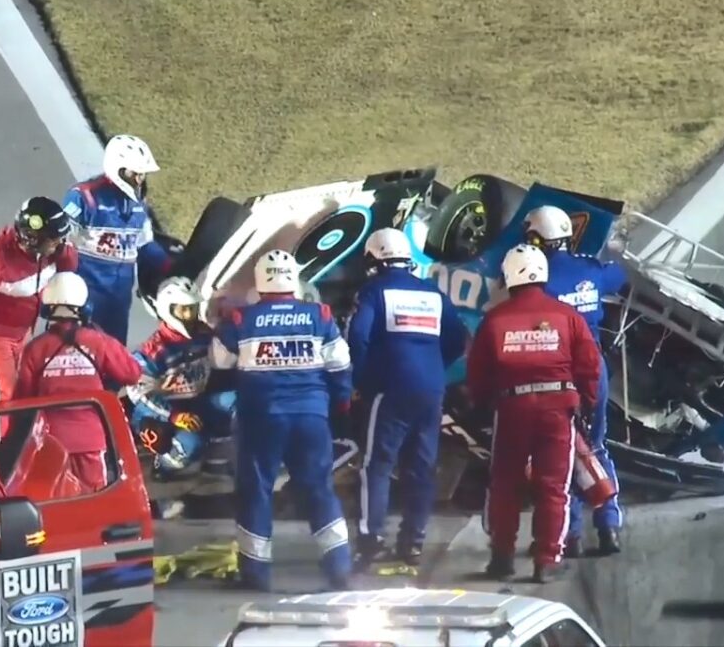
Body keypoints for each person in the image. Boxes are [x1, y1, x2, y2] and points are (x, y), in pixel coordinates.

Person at [210, 249, 353, 592]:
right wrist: (340, 403)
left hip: (261, 418)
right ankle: (339, 568)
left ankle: (256, 574)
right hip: (311, 416)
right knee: (319, 488)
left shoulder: (242, 320)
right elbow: (340, 366)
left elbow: (219, 361)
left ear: (260, 282)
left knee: (256, 491)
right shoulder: (320, 315)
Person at [467, 244, 601, 583]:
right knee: (554, 487)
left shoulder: (495, 319)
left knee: (505, 484)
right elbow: (590, 366)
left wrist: (482, 405)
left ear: (509, 276)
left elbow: (478, 371)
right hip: (558, 410)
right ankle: (547, 561)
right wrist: (586, 403)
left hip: (512, 409)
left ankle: (502, 558)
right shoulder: (568, 316)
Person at [346, 228, 469, 569]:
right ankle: (413, 541)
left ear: (375, 259)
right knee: (422, 467)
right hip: (432, 389)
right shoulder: (432, 292)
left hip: (390, 389)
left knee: (377, 465)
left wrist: (361, 379)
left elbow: (358, 337)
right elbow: (458, 338)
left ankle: (371, 540)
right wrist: (433, 366)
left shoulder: (373, 290)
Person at [523, 205, 627, 556]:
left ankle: (571, 535)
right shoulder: (590, 269)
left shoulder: (536, 279)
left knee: (560, 453)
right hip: (595, 371)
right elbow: (619, 276)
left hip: (558, 375)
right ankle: (609, 526)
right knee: (596, 447)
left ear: (536, 239)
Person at [0, 198, 78, 441]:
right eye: (55, 239)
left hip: (23, 334)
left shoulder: (50, 253)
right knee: (6, 396)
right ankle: (3, 453)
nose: (60, 244)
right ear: (33, 239)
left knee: (22, 392)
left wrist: (63, 252)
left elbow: (70, 266)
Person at [13, 272, 143, 493]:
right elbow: (132, 373)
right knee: (94, 501)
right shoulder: (98, 342)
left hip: (50, 443)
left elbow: (22, 402)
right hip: (90, 440)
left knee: (56, 500)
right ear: (84, 306)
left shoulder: (35, 349)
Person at [62, 134, 173, 344]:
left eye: (142, 174)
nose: (139, 179)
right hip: (84, 300)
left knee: (114, 359)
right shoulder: (84, 197)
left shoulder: (138, 205)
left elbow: (145, 245)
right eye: (135, 173)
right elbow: (60, 246)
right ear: (118, 168)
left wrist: (173, 267)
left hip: (119, 303)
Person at [127, 277, 236, 476]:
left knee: (239, 402)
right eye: (183, 310)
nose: (190, 315)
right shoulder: (151, 350)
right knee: (189, 445)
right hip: (163, 413)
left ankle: (218, 455)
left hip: (197, 402)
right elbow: (139, 394)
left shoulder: (204, 334)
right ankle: (163, 464)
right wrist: (173, 416)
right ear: (167, 309)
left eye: (193, 309)